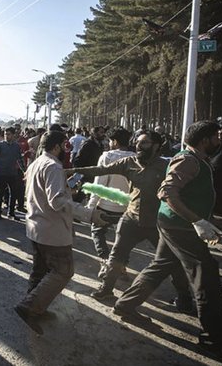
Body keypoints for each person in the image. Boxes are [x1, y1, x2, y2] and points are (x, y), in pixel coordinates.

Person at [114, 121, 222, 358]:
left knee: (160, 266)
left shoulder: (196, 159)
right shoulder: (188, 159)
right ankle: (213, 340)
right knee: (205, 276)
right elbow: (167, 192)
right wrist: (197, 221)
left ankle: (125, 304)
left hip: (175, 225)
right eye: (216, 137)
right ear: (204, 139)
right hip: (181, 227)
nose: (220, 141)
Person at [66, 131, 192, 309]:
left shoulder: (166, 166)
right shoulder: (128, 162)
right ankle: (106, 289)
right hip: (131, 219)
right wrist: (72, 170)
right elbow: (101, 170)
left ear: (156, 146)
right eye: (138, 142)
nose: (139, 146)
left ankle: (184, 297)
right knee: (117, 255)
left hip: (157, 222)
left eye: (145, 143)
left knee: (171, 260)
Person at [15, 130, 107, 335]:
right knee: (63, 271)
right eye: (65, 146)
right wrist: (88, 214)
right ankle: (30, 306)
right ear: (56, 147)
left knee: (40, 271)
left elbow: (45, 193)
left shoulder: (37, 163)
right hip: (51, 230)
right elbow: (56, 201)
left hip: (37, 227)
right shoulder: (53, 167)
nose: (68, 150)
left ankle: (35, 308)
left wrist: (68, 189)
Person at [86, 127, 135, 261]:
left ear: (115, 142)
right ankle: (121, 263)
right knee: (123, 239)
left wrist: (90, 207)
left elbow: (99, 183)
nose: (109, 143)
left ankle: (106, 260)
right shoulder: (135, 158)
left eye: (110, 141)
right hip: (127, 207)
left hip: (106, 206)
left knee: (97, 232)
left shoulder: (107, 156)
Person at [0, 127, 25, 220]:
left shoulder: (16, 146)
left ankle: (11, 213)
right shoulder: (0, 145)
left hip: (12, 173)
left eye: (9, 134)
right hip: (1, 172)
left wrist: (24, 171)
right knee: (0, 193)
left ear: (13, 135)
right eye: (5, 134)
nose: (7, 136)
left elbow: (19, 160)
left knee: (13, 193)